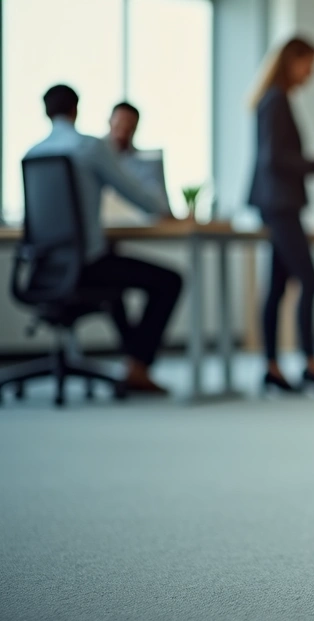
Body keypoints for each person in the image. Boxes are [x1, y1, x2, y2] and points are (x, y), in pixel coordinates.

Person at [24, 85, 183, 395]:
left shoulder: (33, 153)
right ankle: (138, 365)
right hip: (86, 264)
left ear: (46, 112)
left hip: (42, 267)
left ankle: (133, 364)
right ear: (76, 110)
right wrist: (166, 210)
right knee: (170, 281)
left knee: (116, 277)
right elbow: (138, 196)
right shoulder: (89, 148)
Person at [248, 36, 314, 394]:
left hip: (277, 203)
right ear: (293, 60)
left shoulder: (276, 99)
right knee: (310, 279)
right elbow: (274, 158)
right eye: (309, 64)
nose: (312, 73)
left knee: (277, 286)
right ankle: (310, 363)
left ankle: (273, 367)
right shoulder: (275, 101)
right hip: (279, 205)